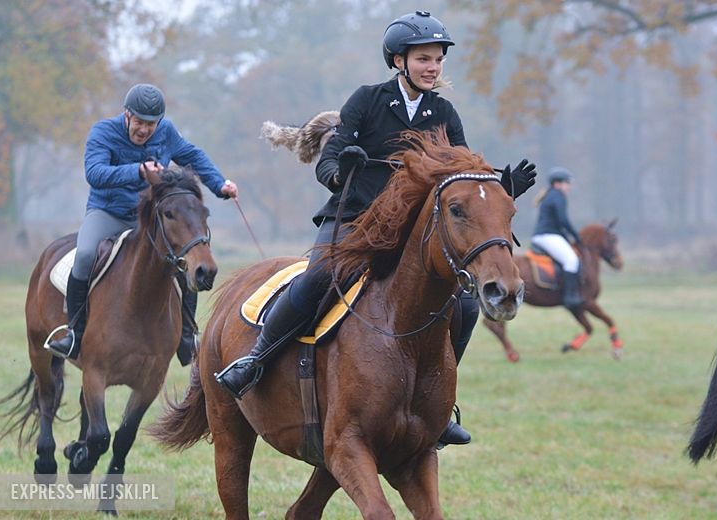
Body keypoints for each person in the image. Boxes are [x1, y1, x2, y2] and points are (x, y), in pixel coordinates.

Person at [215, 11, 536, 447]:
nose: (433, 68)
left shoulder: (443, 113)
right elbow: (328, 163)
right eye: (424, 59)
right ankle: (255, 360)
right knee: (318, 278)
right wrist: (338, 171)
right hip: (352, 220)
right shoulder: (366, 100)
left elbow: (459, 175)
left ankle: (437, 406)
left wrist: (503, 187)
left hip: (407, 234)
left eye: (438, 60)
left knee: (465, 306)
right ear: (399, 61)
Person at [46, 83, 238, 362]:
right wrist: (137, 170)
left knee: (184, 259)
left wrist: (220, 184)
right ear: (127, 115)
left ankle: (186, 337)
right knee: (86, 254)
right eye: (139, 122)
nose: (144, 129)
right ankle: (74, 334)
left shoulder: (167, 132)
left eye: (151, 124)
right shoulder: (103, 132)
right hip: (107, 213)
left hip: (147, 221)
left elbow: (193, 156)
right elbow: (95, 173)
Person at [531, 167, 583, 311]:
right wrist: (576, 236)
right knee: (571, 260)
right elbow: (563, 221)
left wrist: (567, 237)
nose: (569, 187)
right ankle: (570, 296)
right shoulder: (558, 195)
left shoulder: (551, 195)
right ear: (558, 184)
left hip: (545, 235)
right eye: (567, 184)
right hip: (548, 236)